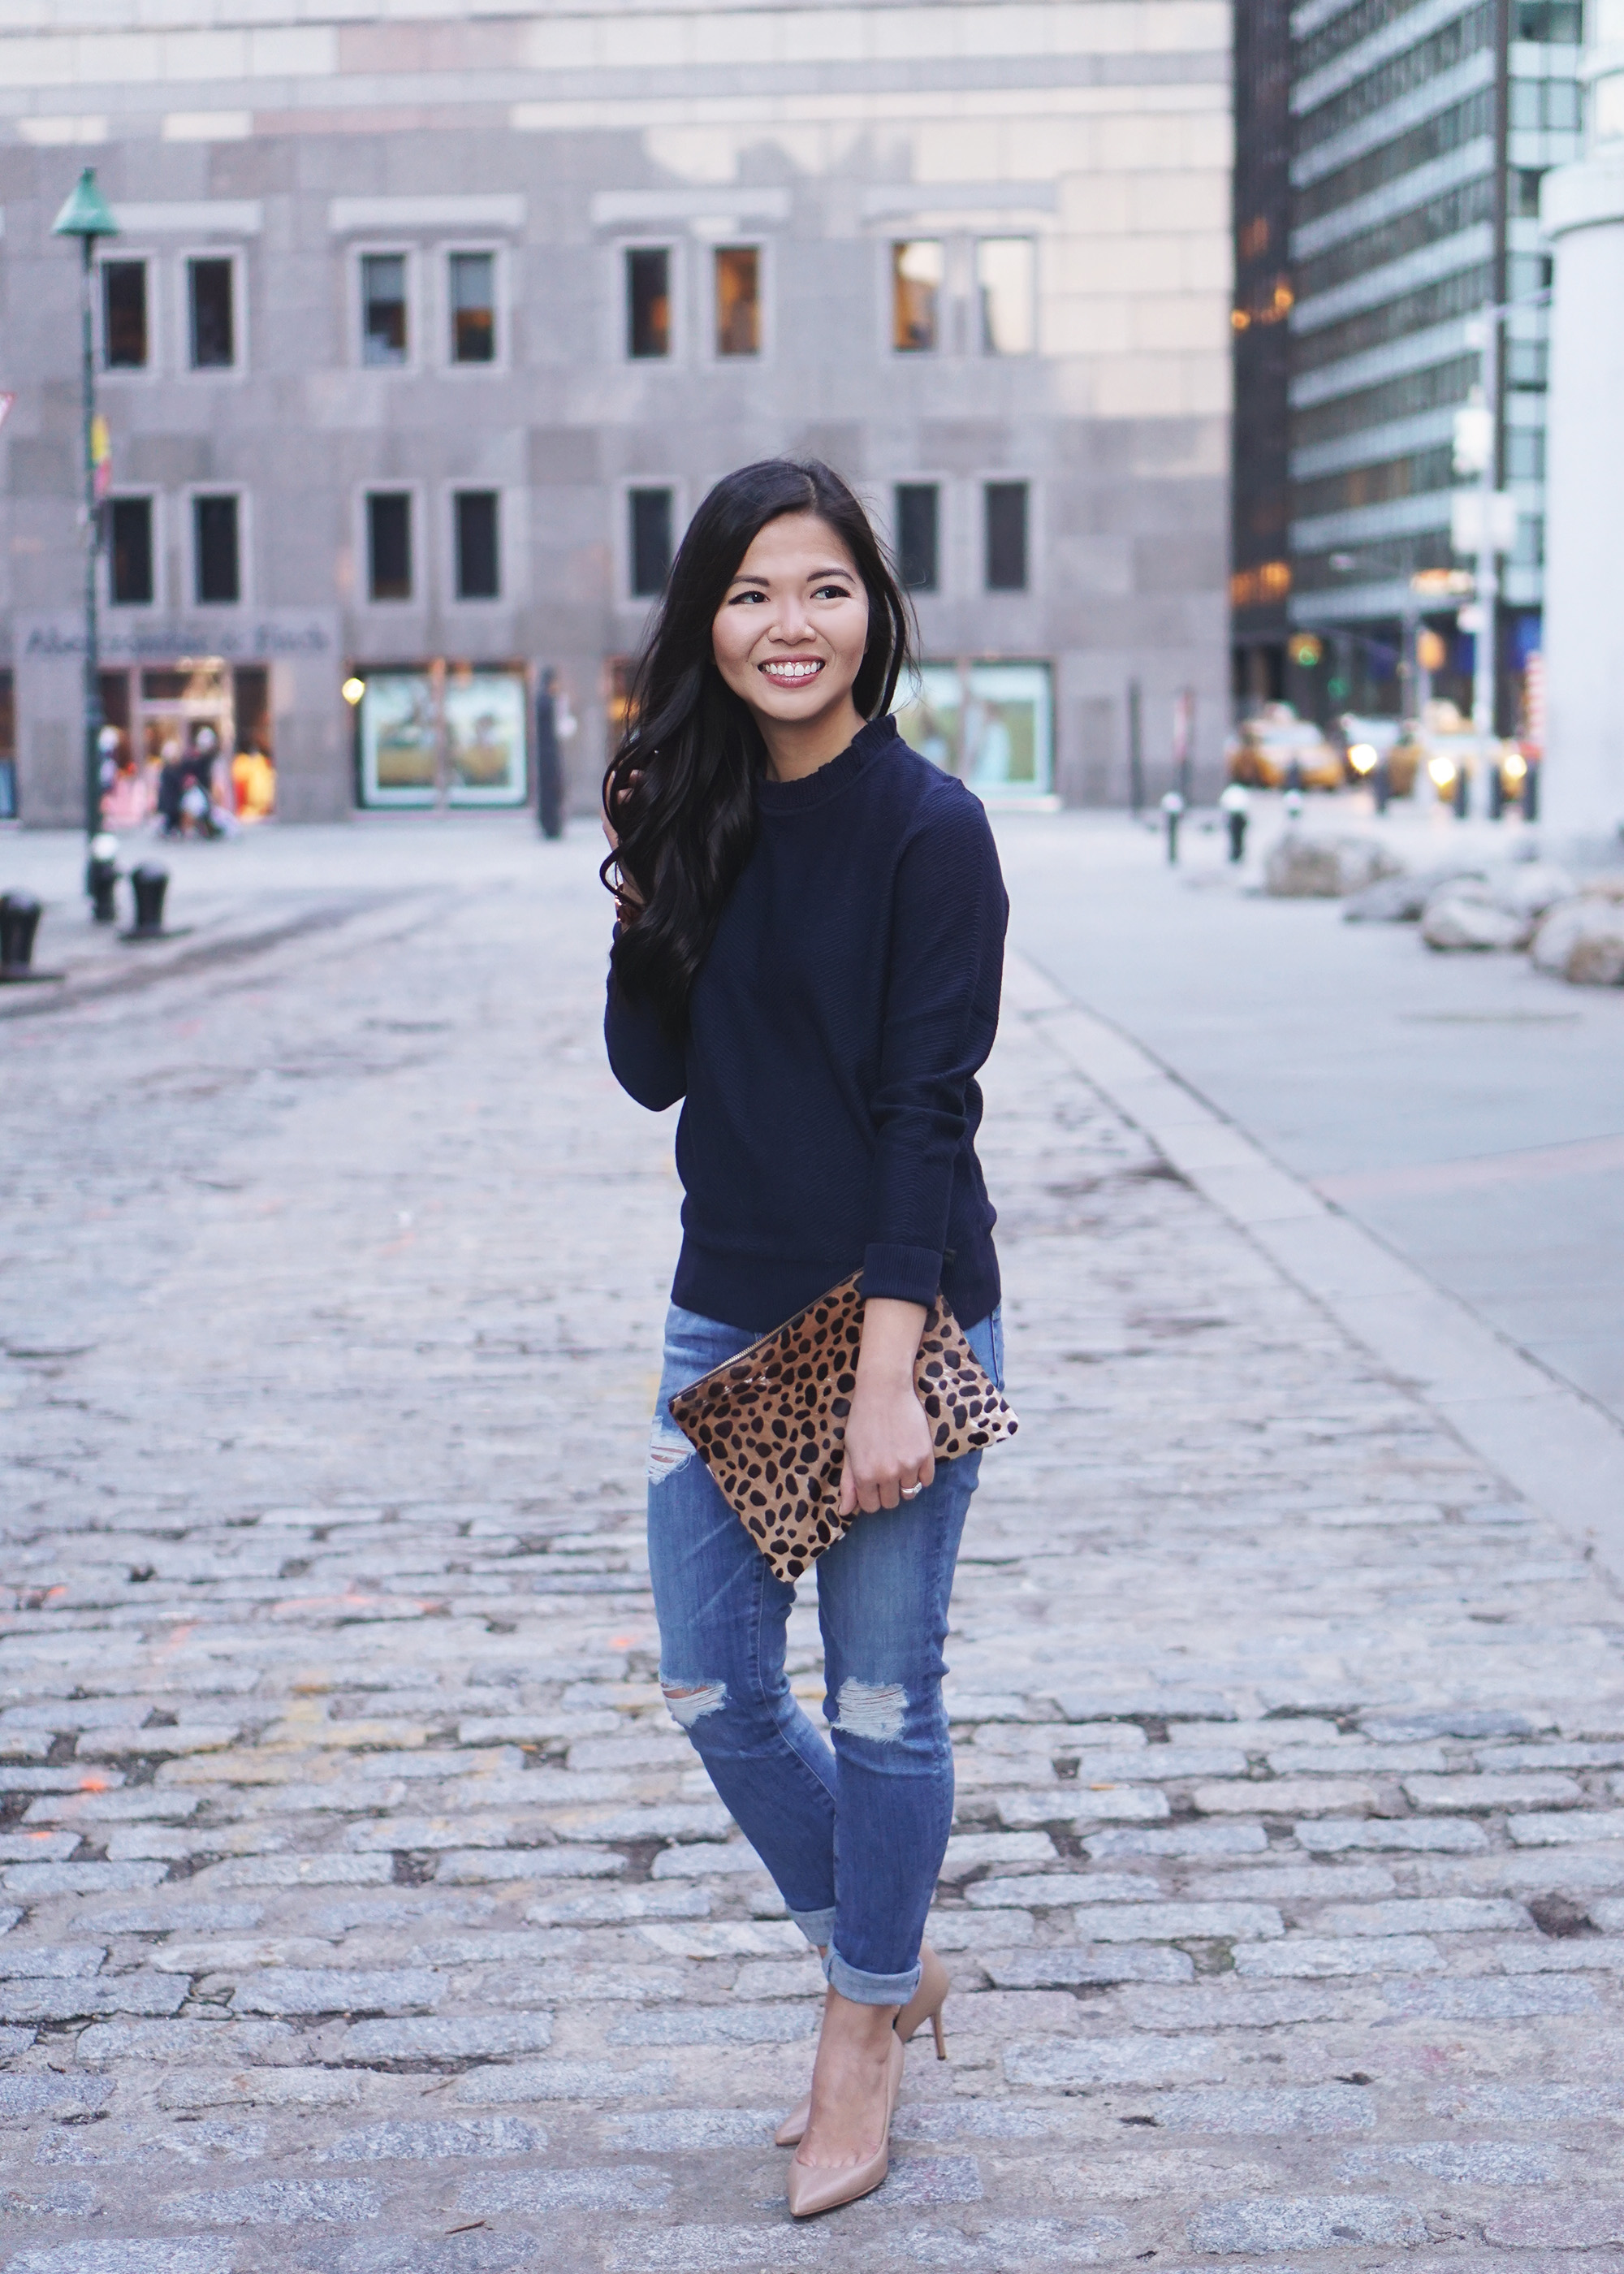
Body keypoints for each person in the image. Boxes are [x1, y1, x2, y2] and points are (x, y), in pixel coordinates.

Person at [602, 459, 1008, 2219]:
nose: (791, 623)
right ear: (709, 618)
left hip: (896, 1296)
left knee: (881, 1696)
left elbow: (929, 1111)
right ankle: (889, 1938)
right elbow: (652, 1071)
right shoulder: (704, 810)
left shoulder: (932, 828)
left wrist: (885, 1376)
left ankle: (858, 2029)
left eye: (825, 587)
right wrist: (647, 860)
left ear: (874, 614)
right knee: (711, 1676)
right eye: (755, 591)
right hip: (728, 1297)